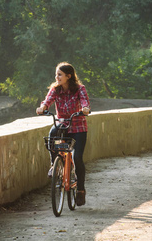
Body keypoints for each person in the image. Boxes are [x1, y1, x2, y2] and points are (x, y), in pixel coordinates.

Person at [36, 62, 90, 206]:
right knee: (51, 137)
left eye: (59, 74)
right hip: (62, 125)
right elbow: (47, 101)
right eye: (56, 74)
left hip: (78, 127)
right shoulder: (55, 89)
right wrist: (42, 107)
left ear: (68, 76)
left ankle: (80, 190)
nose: (57, 77)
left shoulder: (80, 89)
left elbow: (85, 101)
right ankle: (54, 164)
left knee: (77, 157)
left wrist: (85, 108)